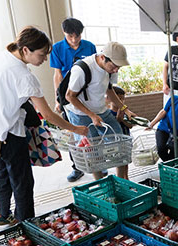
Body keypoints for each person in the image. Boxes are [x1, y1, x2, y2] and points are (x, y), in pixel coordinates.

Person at [0, 26, 88, 225]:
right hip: (10, 134)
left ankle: (1, 213)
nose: (44, 60)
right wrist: (75, 129)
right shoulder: (24, 76)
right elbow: (48, 114)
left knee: (1, 172)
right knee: (23, 182)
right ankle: (26, 225)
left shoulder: (0, 58)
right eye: (41, 55)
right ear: (25, 50)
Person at [64, 41, 134, 180]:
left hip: (101, 110)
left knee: (119, 143)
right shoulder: (82, 69)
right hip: (80, 114)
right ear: (103, 57)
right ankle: (102, 184)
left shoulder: (111, 70)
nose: (116, 70)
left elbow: (110, 90)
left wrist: (125, 109)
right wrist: (91, 115)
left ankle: (122, 181)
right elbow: (69, 96)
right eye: (114, 66)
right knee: (92, 150)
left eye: (118, 67)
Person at [50, 17, 96, 182]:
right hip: (67, 95)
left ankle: (96, 164)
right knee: (73, 130)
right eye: (70, 36)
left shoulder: (89, 46)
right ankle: (77, 167)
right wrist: (58, 99)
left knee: (91, 129)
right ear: (64, 33)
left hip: (86, 94)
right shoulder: (57, 48)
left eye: (77, 36)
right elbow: (57, 75)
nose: (74, 40)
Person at [105, 86, 132, 180]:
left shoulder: (125, 111)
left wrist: (123, 120)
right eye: (118, 99)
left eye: (122, 99)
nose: (121, 101)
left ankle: (126, 177)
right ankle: (120, 179)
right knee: (120, 161)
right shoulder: (108, 113)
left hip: (126, 138)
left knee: (126, 160)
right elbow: (109, 129)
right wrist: (117, 120)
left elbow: (130, 125)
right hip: (116, 141)